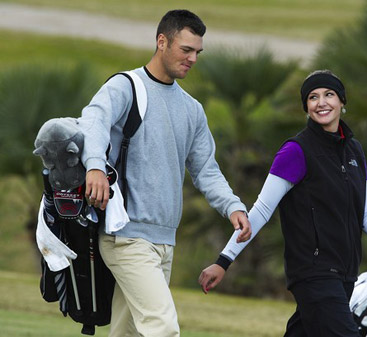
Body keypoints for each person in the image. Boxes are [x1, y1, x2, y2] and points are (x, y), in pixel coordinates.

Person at [198, 70, 367, 337]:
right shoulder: (295, 151)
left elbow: (366, 215)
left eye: (329, 95)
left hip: (345, 275)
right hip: (313, 274)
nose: (322, 102)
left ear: (342, 102)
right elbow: (261, 211)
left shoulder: (354, 151)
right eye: (313, 97)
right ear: (306, 108)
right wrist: (224, 261)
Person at [79, 9, 251, 337]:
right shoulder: (125, 86)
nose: (193, 58)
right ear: (162, 41)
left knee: (127, 332)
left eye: (197, 52)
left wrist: (233, 206)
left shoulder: (192, 110)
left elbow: (205, 169)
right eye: (186, 50)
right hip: (125, 236)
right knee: (162, 326)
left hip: (164, 242)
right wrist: (95, 167)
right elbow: (93, 122)